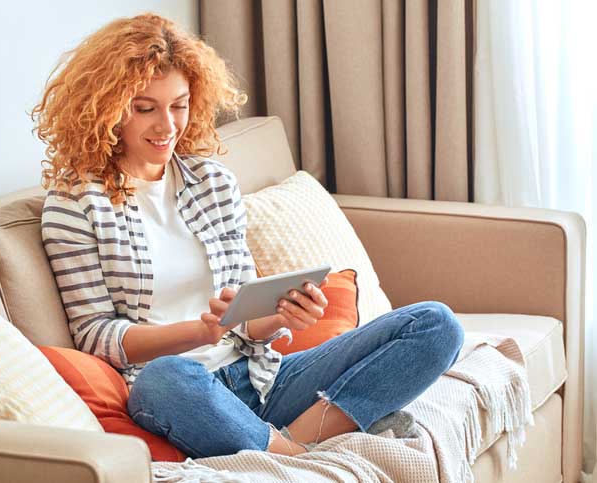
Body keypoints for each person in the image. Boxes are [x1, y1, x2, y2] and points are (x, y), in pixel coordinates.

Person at [31, 13, 464, 459]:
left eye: (178, 105)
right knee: (165, 379)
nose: (167, 127)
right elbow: (95, 335)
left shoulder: (212, 182)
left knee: (435, 324)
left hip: (259, 378)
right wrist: (198, 333)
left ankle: (286, 443)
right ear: (107, 107)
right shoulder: (75, 205)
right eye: (145, 108)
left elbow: (245, 320)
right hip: (179, 391)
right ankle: (294, 457)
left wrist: (283, 315)